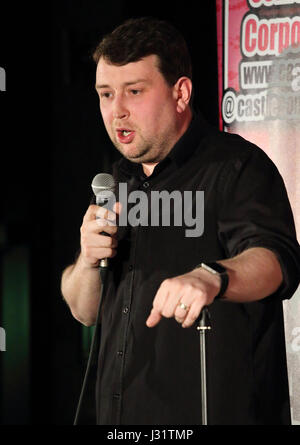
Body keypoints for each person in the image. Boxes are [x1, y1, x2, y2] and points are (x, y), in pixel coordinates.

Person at [61, 17, 300, 425]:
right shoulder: (118, 181)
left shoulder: (236, 167)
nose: (116, 110)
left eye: (134, 91)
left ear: (181, 93)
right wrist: (86, 261)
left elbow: (277, 262)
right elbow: (85, 311)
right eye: (105, 94)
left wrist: (212, 277)